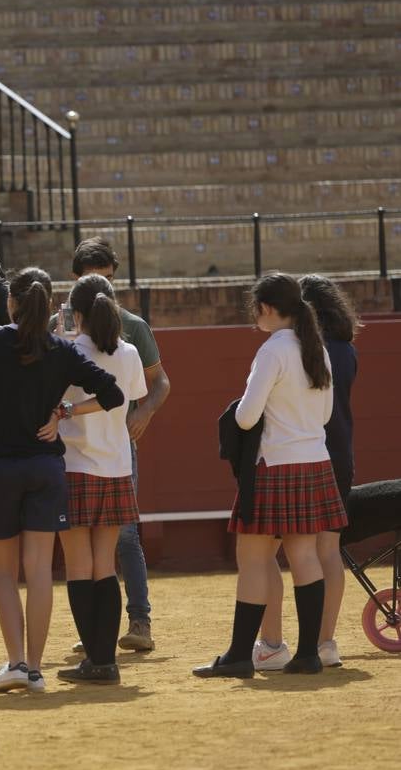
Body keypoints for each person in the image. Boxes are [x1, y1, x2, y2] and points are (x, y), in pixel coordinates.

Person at [0, 268, 124, 693]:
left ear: (11, 303)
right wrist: (63, 413)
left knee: (3, 571)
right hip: (46, 468)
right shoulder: (60, 350)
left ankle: (15, 661)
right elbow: (112, 395)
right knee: (38, 571)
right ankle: (34, 668)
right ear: (52, 306)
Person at [194, 273, 347, 679]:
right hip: (314, 460)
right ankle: (309, 654)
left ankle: (240, 655)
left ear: (265, 308)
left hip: (275, 464)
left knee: (254, 556)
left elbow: (245, 417)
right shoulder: (316, 347)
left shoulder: (272, 350)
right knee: (305, 553)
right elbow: (328, 415)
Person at [252, 275, 361, 671]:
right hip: (337, 454)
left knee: (265, 551)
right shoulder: (344, 350)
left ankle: (271, 641)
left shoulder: (292, 347)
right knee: (326, 551)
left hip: (293, 456)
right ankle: (324, 642)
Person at [69, 237, 172, 652]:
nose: (101, 287)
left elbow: (161, 381)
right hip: (82, 446)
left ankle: (138, 619)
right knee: (94, 540)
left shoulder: (132, 326)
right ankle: (97, 631)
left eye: (107, 279)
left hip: (105, 443)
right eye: (93, 280)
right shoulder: (64, 326)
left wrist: (144, 410)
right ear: (76, 279)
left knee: (119, 537)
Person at [51, 276, 147, 684]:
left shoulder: (68, 351)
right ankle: (104, 659)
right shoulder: (128, 352)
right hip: (116, 465)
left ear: (76, 313)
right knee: (104, 564)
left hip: (74, 464)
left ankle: (95, 657)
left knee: (78, 565)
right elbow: (132, 397)